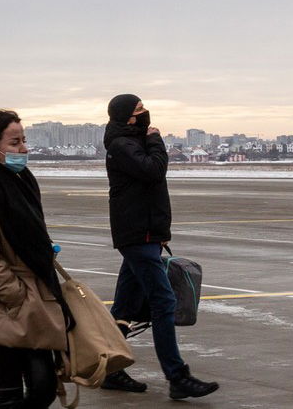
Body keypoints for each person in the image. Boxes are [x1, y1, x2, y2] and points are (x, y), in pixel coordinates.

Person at [100, 94, 218, 399]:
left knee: (125, 306)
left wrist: (161, 231)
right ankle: (177, 376)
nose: (145, 115)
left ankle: (110, 369)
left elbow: (150, 190)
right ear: (127, 117)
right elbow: (154, 170)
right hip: (138, 235)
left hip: (145, 233)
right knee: (163, 302)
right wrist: (156, 141)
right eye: (139, 111)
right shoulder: (122, 145)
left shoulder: (130, 141)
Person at [0, 109, 68, 409]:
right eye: (15, 143)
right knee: (8, 396)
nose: (24, 149)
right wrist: (18, 297)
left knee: (44, 388)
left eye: (24, 141)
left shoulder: (22, 183)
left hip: (32, 302)